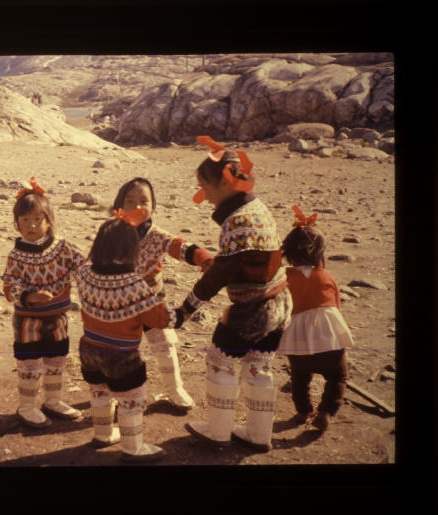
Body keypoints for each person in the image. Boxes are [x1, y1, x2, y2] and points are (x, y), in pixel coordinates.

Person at [175, 136, 292, 452]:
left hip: (252, 308)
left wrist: (184, 311)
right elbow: (246, 260)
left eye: (208, 189)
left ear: (225, 183)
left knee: (220, 360)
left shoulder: (237, 222)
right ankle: (258, 434)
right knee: (259, 365)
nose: (206, 197)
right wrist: (221, 263)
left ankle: (218, 431)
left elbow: (220, 276)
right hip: (279, 302)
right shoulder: (257, 207)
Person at [76, 209, 181, 462]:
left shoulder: (83, 273)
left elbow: (111, 289)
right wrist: (186, 308)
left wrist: (143, 279)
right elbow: (161, 318)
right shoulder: (135, 286)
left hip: (89, 349)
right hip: (122, 356)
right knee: (131, 399)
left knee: (99, 392)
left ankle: (102, 435)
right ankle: (133, 447)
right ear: (130, 251)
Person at [111, 177, 214, 412]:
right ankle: (121, 394)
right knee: (123, 350)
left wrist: (203, 258)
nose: (137, 206)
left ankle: (174, 389)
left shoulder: (156, 235)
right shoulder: (111, 233)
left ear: (153, 207)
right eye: (130, 201)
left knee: (165, 345)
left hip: (153, 304)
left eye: (144, 201)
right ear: (119, 206)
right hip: (120, 306)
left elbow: (178, 246)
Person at [1, 177, 88, 428]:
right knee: (30, 364)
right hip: (28, 320)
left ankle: (53, 400)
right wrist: (29, 296)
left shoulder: (63, 248)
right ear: (16, 224)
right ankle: (26, 406)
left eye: (37, 219)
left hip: (58, 316)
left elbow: (84, 267)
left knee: (56, 359)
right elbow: (9, 286)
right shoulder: (16, 255)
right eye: (25, 220)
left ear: (49, 221)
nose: (31, 225)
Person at [277, 205, 354, 431]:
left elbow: (282, 307)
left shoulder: (285, 278)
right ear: (320, 253)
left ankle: (303, 410)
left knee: (300, 378)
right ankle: (326, 411)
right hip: (328, 341)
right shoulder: (327, 276)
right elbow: (335, 305)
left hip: (298, 342)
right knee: (338, 376)